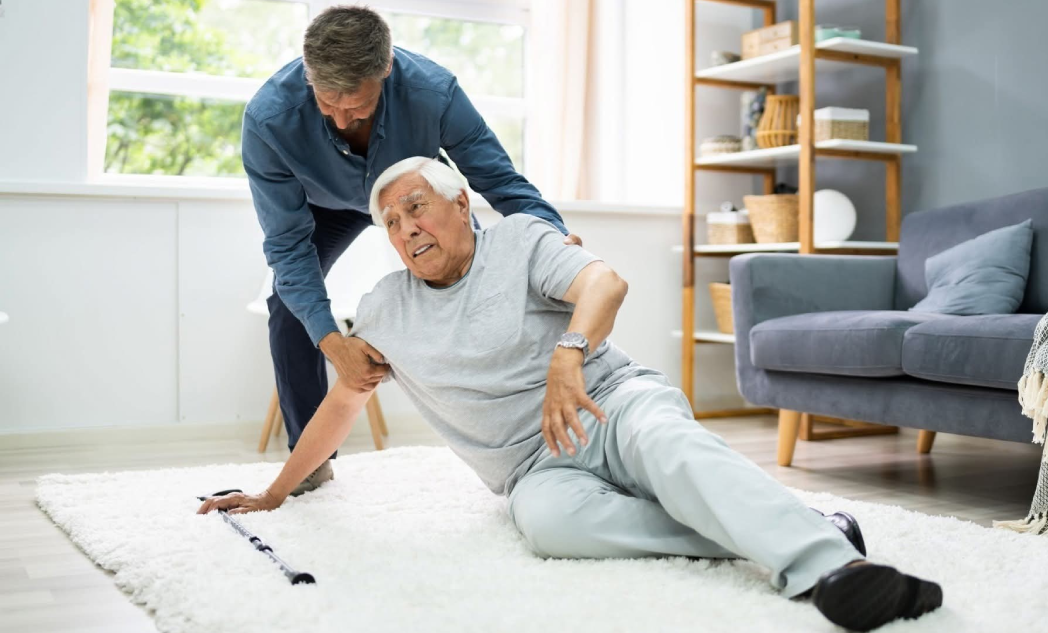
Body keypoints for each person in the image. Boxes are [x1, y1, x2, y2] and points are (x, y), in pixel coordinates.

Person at [200, 157, 942, 632]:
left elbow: (603, 281)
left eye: (417, 207)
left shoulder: (519, 240)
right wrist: (274, 492)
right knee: (552, 526)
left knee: (670, 450)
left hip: (610, 405)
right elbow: (342, 403)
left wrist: (569, 353)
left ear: (462, 203)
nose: (405, 229)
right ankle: (799, 524)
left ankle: (829, 570)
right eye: (390, 222)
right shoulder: (387, 308)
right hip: (535, 468)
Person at [243, 5, 580, 494]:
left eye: (353, 105)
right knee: (287, 306)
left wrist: (553, 238)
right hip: (327, 206)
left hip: (411, 195)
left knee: (501, 276)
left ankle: (526, 424)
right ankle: (311, 462)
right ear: (307, 74)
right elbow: (288, 246)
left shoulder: (433, 92)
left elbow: (499, 181)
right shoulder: (268, 119)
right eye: (326, 101)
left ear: (385, 69)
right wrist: (333, 342)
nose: (339, 118)